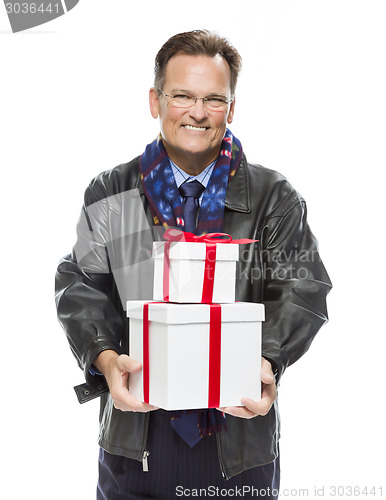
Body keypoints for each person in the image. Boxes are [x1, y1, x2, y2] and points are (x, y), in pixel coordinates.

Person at [55, 30, 332, 499]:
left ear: (231, 107)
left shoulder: (273, 198)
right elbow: (81, 284)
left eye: (213, 99)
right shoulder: (113, 192)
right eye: (182, 95)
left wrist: (265, 363)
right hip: (136, 432)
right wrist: (105, 359)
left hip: (238, 436)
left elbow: (302, 288)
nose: (198, 112)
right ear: (155, 100)